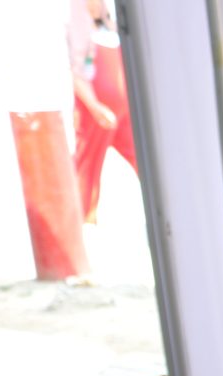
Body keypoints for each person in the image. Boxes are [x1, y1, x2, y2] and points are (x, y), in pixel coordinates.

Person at [67, 0, 137, 223]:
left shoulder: (110, 22)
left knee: (140, 156)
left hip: (123, 110)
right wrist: (96, 106)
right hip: (95, 112)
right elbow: (75, 70)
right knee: (86, 170)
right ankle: (80, 220)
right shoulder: (77, 21)